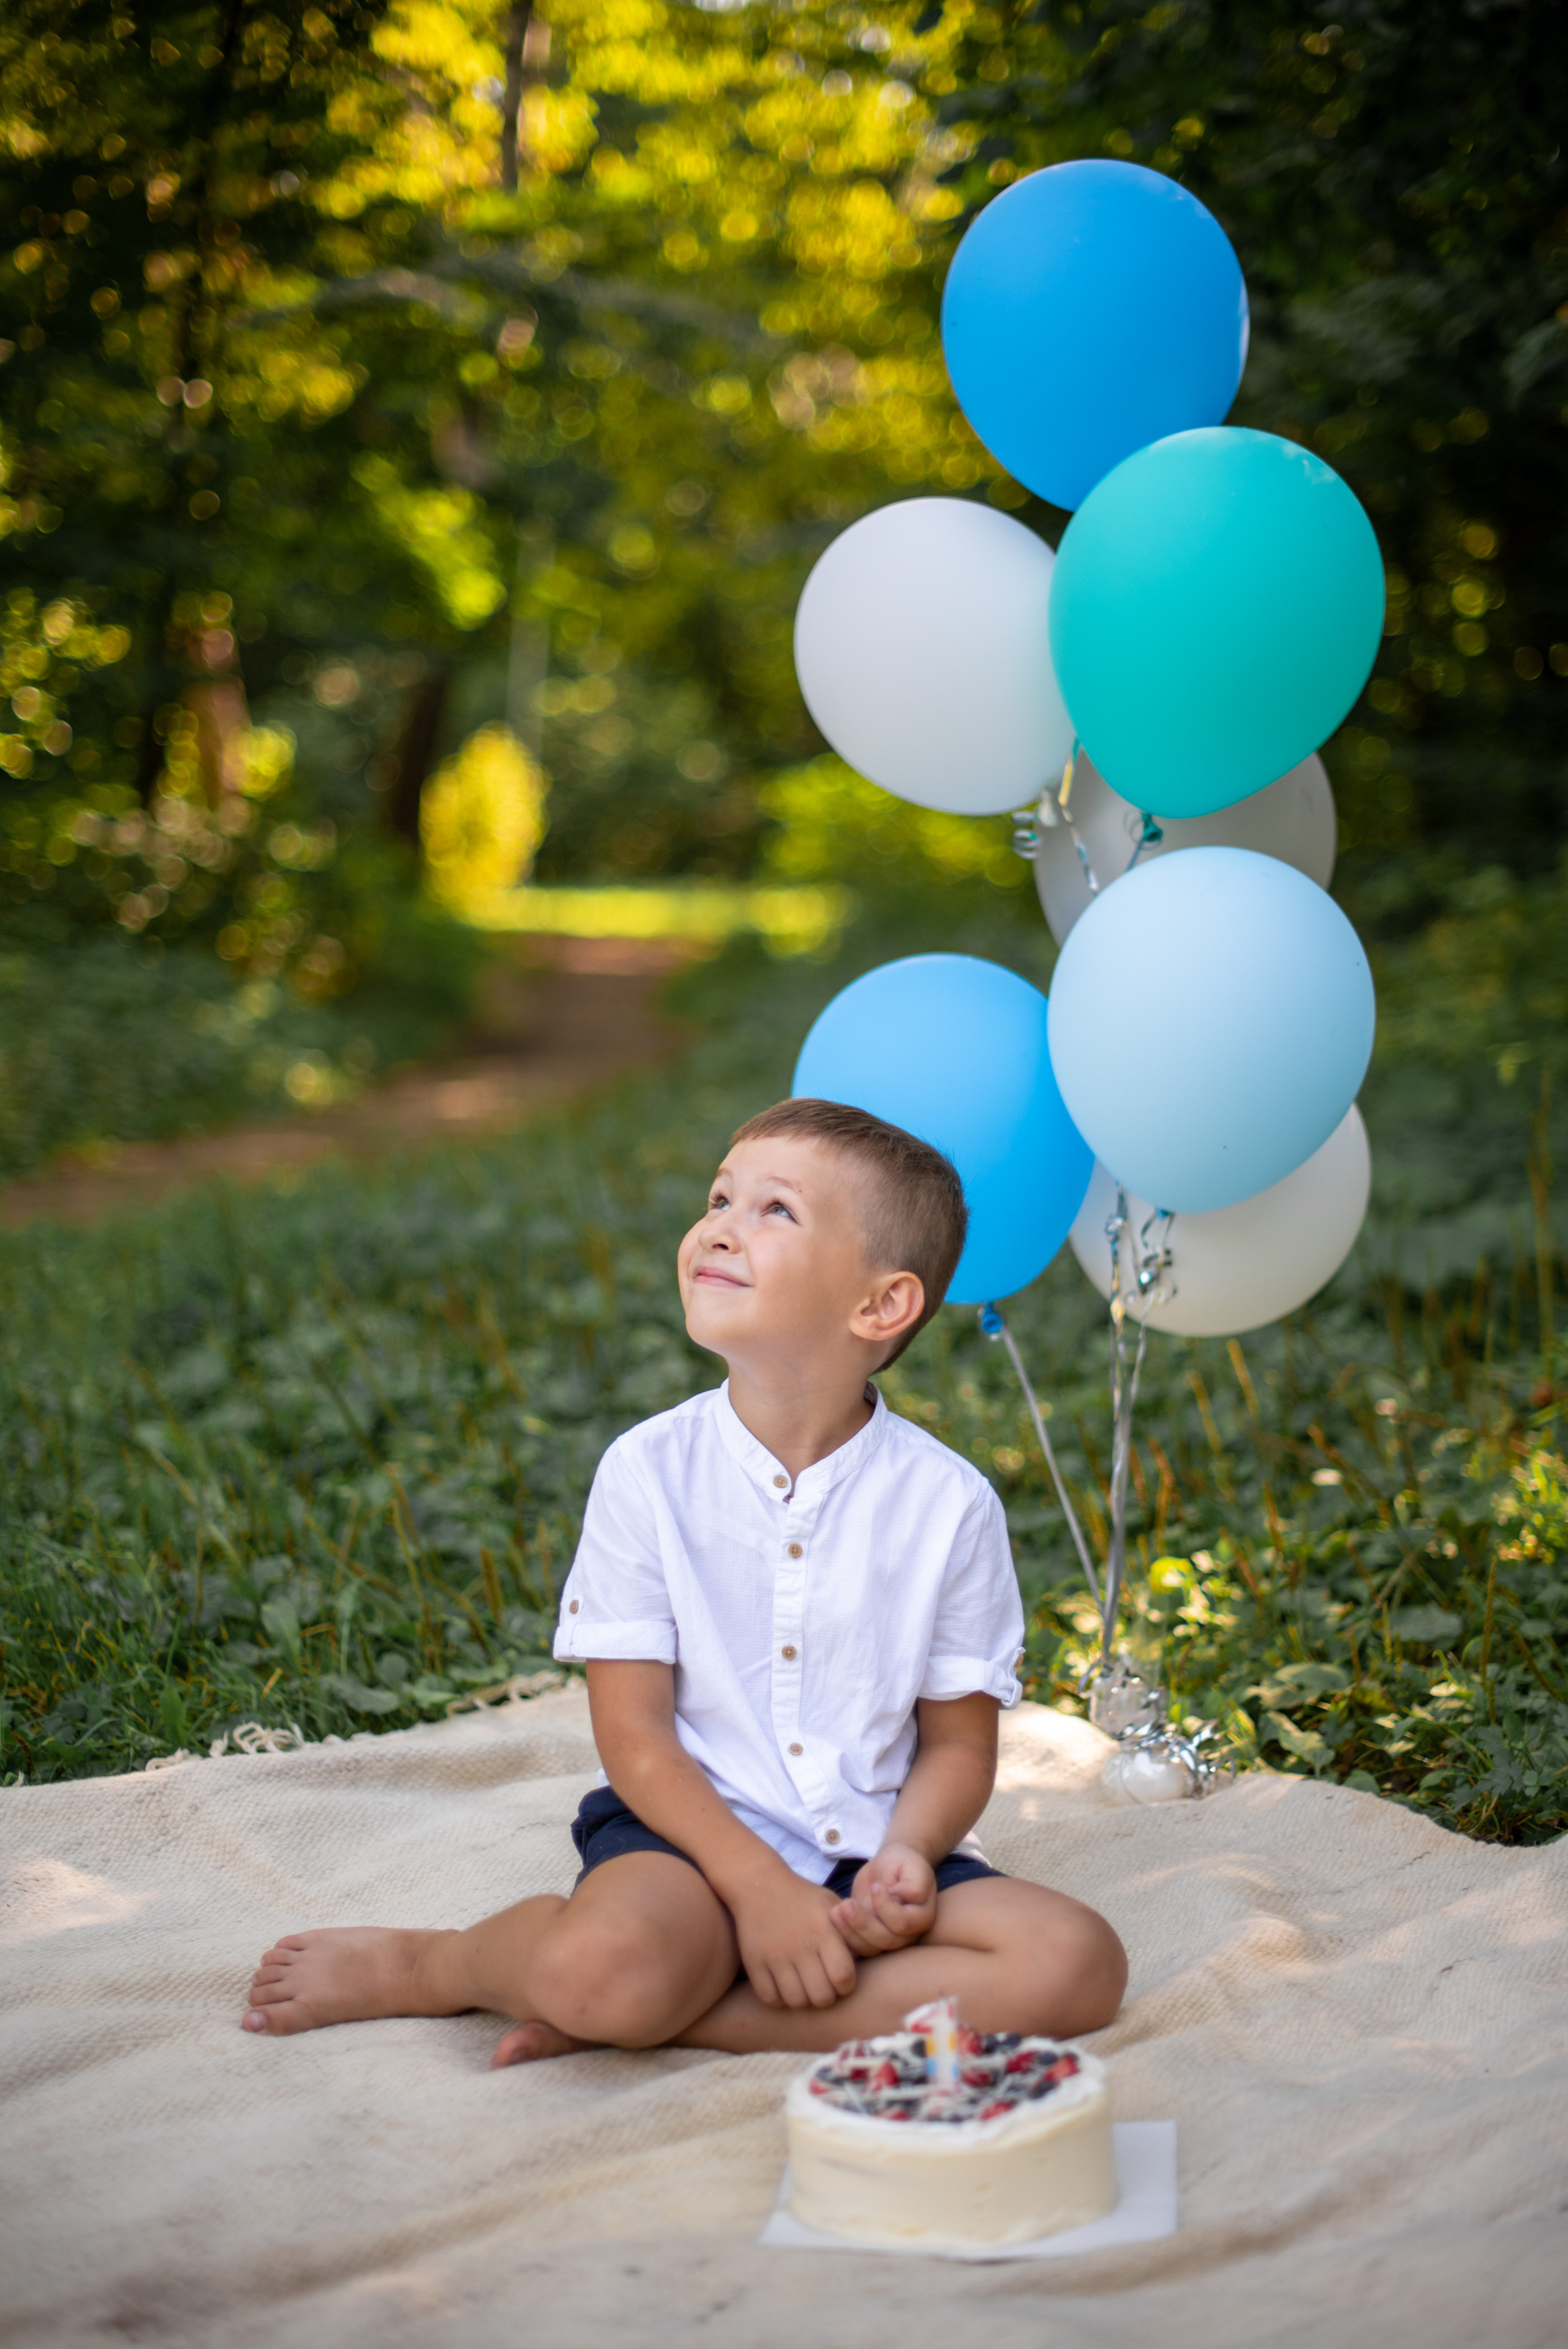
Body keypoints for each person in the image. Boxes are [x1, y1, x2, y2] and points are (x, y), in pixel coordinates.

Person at [241, 1098, 1127, 2062]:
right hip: (687, 1845)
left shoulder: (951, 1504)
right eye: (718, 1198)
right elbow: (635, 1736)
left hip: (869, 1845)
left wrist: (908, 1855)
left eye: (774, 1209)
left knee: (1075, 1962)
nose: (720, 1226)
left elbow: (957, 1744)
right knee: (603, 1967)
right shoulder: (648, 1471)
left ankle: (669, 2015)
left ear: (880, 1305)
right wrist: (758, 1888)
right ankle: (441, 1965)